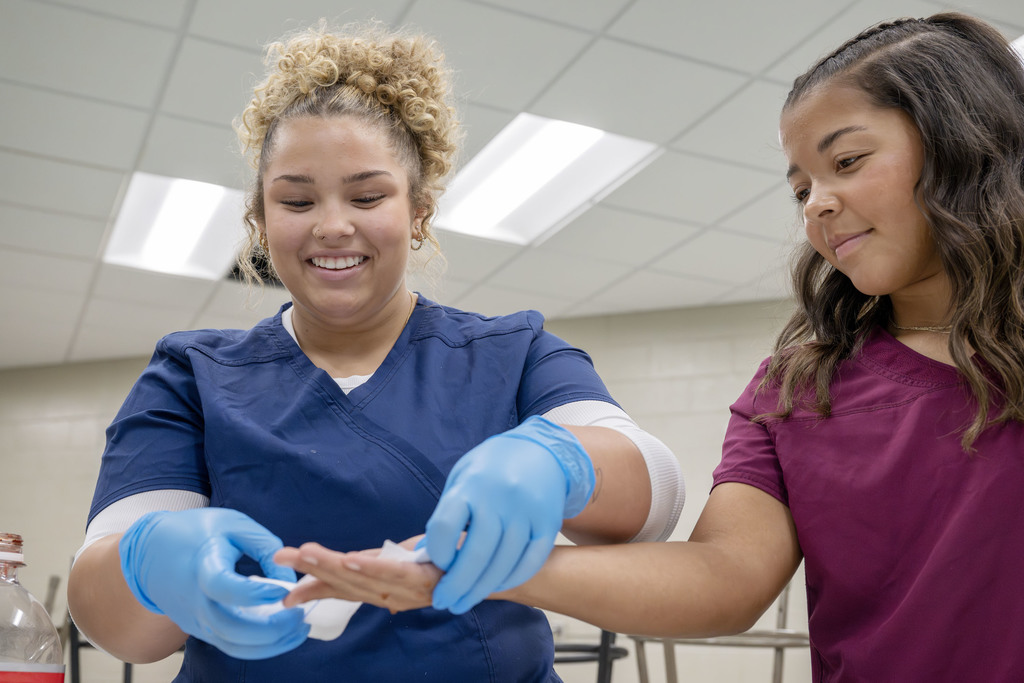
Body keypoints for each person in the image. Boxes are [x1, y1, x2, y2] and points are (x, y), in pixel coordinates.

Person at [278, 12, 1024, 682]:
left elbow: (644, 476)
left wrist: (561, 462)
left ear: (963, 142)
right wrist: (489, 567)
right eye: (801, 189)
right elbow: (723, 575)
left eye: (848, 161)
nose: (819, 205)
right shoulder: (799, 389)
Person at [65, 22, 684, 682]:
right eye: (296, 200)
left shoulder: (512, 354)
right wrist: (145, 563)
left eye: (366, 196)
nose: (333, 225)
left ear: (419, 210)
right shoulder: (192, 376)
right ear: (261, 220)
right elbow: (118, 628)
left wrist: (563, 463)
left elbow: (657, 499)